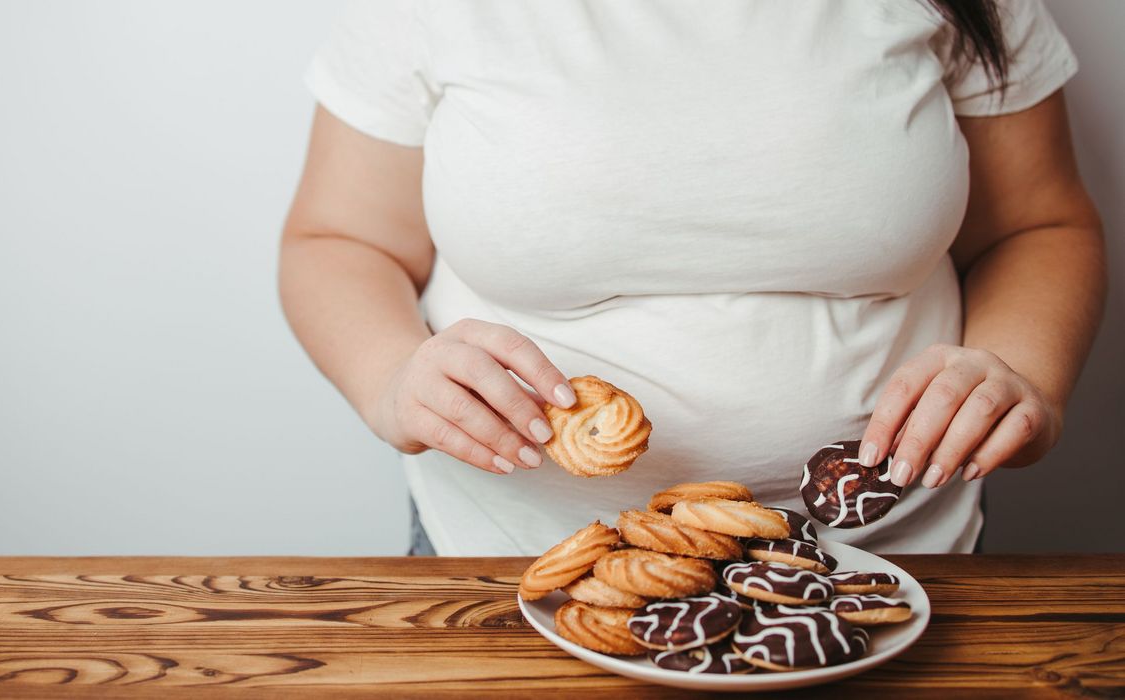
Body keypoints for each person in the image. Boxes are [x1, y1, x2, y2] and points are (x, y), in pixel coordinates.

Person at [279, 1, 1105, 556]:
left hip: (893, 565)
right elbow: (340, 238)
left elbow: (1039, 225)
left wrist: (1023, 374)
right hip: (512, 562)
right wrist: (389, 375)